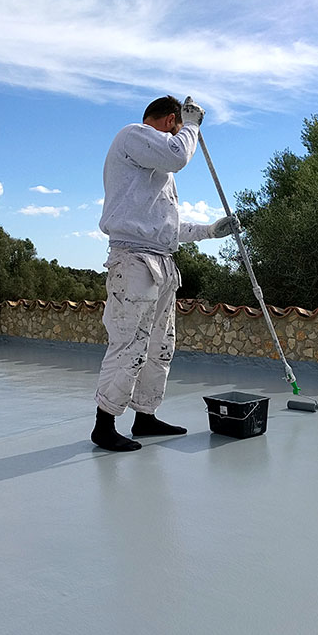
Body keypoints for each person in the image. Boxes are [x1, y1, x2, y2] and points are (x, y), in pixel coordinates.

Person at [91, 95, 240, 452]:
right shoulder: (133, 135)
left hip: (161, 263)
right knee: (128, 343)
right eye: (176, 128)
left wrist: (210, 230)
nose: (176, 138)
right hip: (134, 262)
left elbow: (167, 228)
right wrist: (192, 126)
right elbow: (177, 154)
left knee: (160, 346)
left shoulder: (156, 177)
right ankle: (104, 423)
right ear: (170, 120)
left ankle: (145, 416)